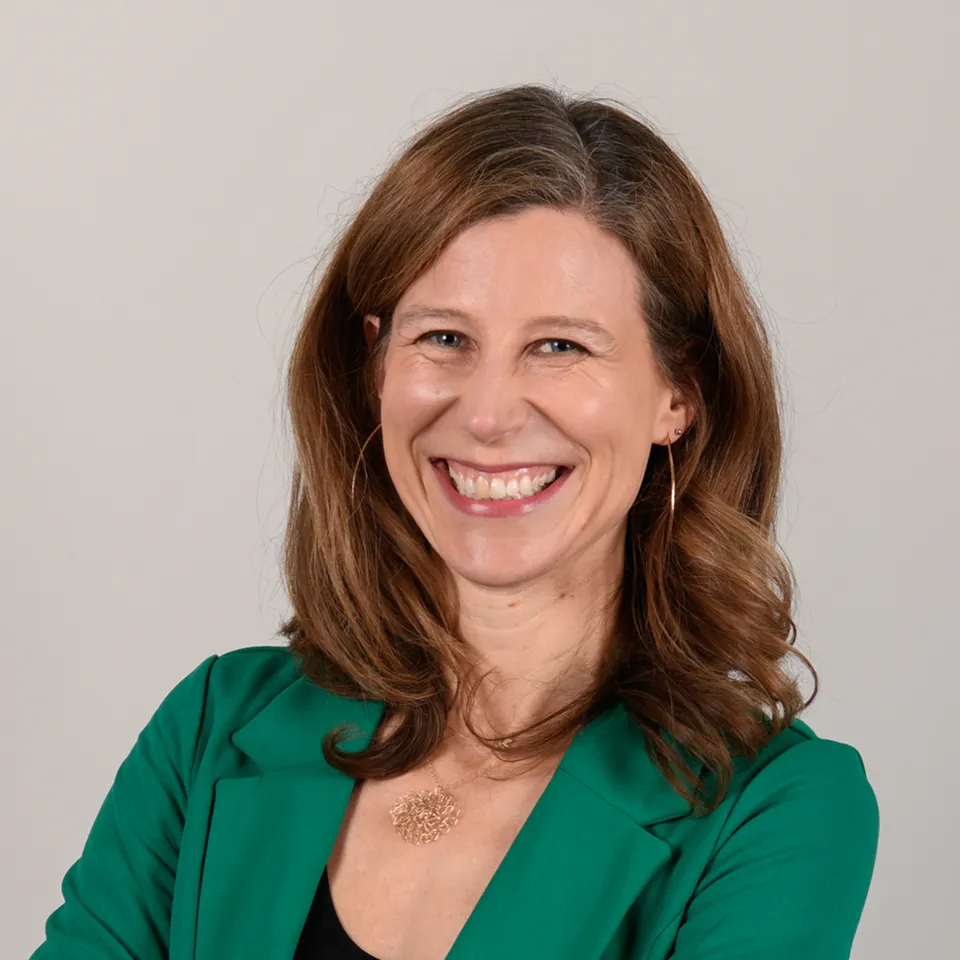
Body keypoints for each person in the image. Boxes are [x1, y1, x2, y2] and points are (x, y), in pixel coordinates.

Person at [30, 84, 879, 960]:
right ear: (375, 367)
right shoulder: (209, 733)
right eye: (443, 338)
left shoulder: (777, 811)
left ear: (679, 394)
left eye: (561, 346)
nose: (486, 413)